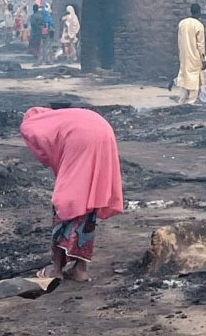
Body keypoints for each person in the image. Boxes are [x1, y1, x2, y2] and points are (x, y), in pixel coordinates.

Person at [20, 107, 124, 281]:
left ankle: (56, 269)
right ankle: (80, 269)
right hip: (104, 132)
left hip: (82, 138)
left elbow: (44, 150)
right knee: (89, 197)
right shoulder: (63, 118)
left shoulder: (32, 125)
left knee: (66, 200)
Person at [176, 3, 206, 104]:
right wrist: (203, 58)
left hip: (184, 55)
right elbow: (200, 45)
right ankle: (191, 101)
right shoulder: (199, 26)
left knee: (184, 76)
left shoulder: (182, 23)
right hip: (194, 56)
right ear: (199, 12)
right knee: (194, 78)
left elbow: (179, 40)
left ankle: (182, 99)